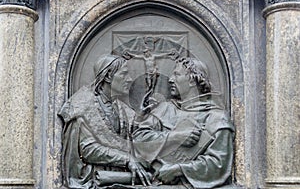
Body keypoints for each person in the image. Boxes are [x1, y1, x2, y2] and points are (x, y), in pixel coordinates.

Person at [133, 57, 235, 188]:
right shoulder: (164, 109)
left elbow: (218, 164)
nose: (170, 79)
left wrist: (179, 169)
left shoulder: (217, 118)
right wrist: (174, 137)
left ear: (192, 80)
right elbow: (139, 139)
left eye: (177, 75)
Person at [58, 55, 150, 188]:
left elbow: (128, 137)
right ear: (107, 76)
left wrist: (141, 117)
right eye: (124, 74)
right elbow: (88, 149)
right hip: (95, 178)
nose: (129, 79)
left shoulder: (121, 107)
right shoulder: (80, 106)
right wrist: (127, 159)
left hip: (124, 177)